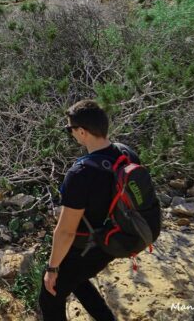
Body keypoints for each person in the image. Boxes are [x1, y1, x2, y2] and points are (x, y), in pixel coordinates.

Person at [40, 100, 130, 321]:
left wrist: (52, 268)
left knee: (49, 297)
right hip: (114, 239)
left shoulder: (80, 173)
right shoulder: (125, 154)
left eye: (69, 129)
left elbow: (66, 231)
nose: (70, 133)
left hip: (87, 247)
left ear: (82, 131)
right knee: (77, 280)